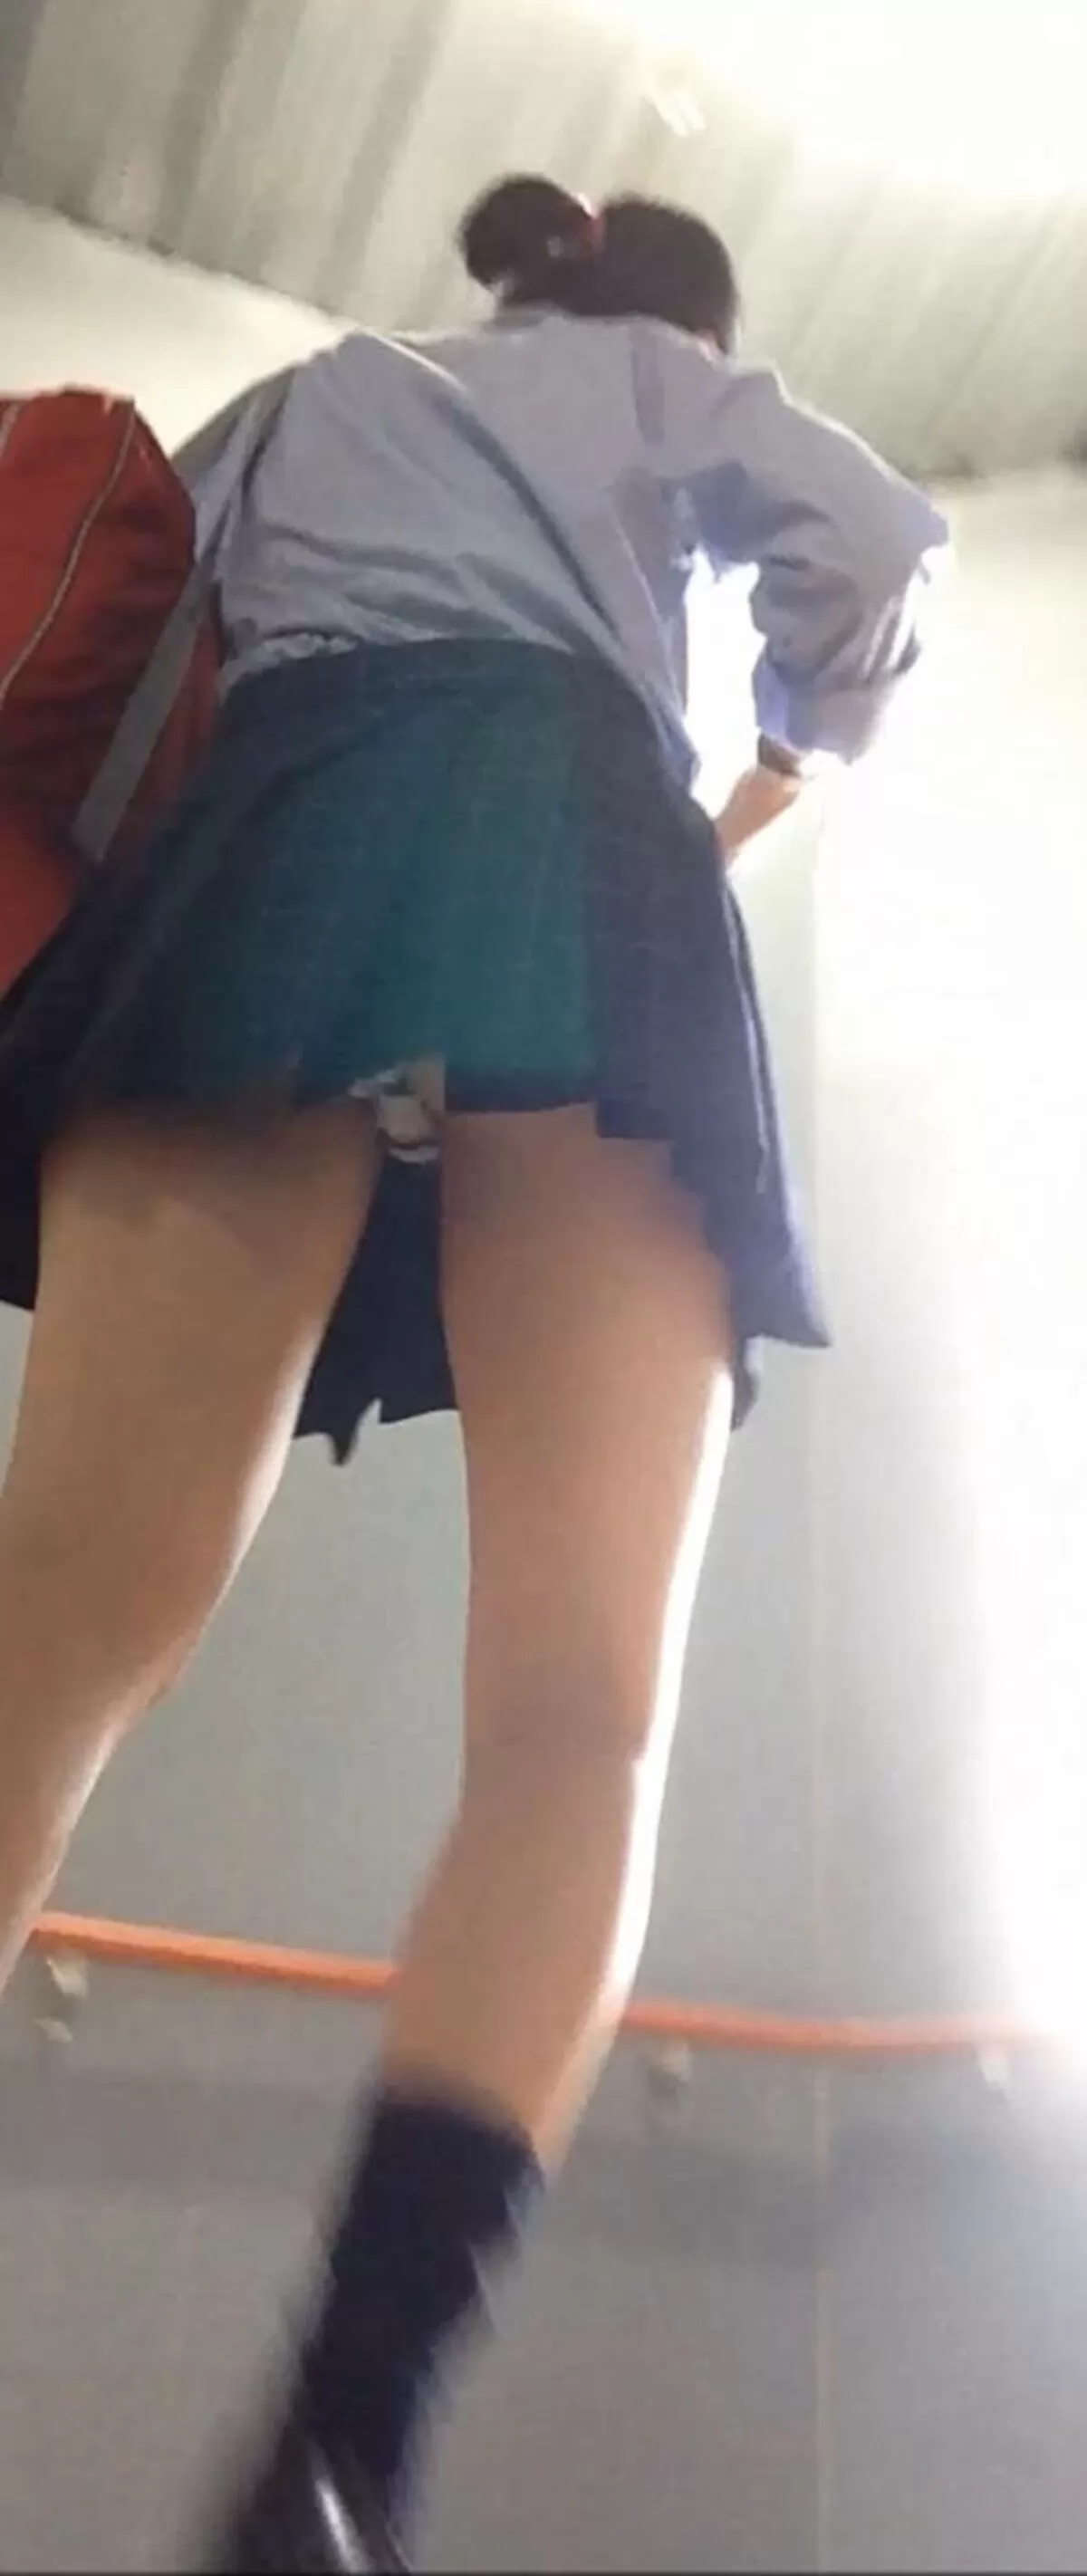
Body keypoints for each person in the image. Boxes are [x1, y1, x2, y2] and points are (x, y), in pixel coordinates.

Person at [0, 177, 947, 2571]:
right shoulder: (666, 389)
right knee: (575, 1717)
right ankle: (339, 2447)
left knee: (57, 1635)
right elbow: (870, 539)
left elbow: (124, 637)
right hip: (590, 865)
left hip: (278, 846)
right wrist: (785, 755)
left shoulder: (320, 393)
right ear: (683, 326)